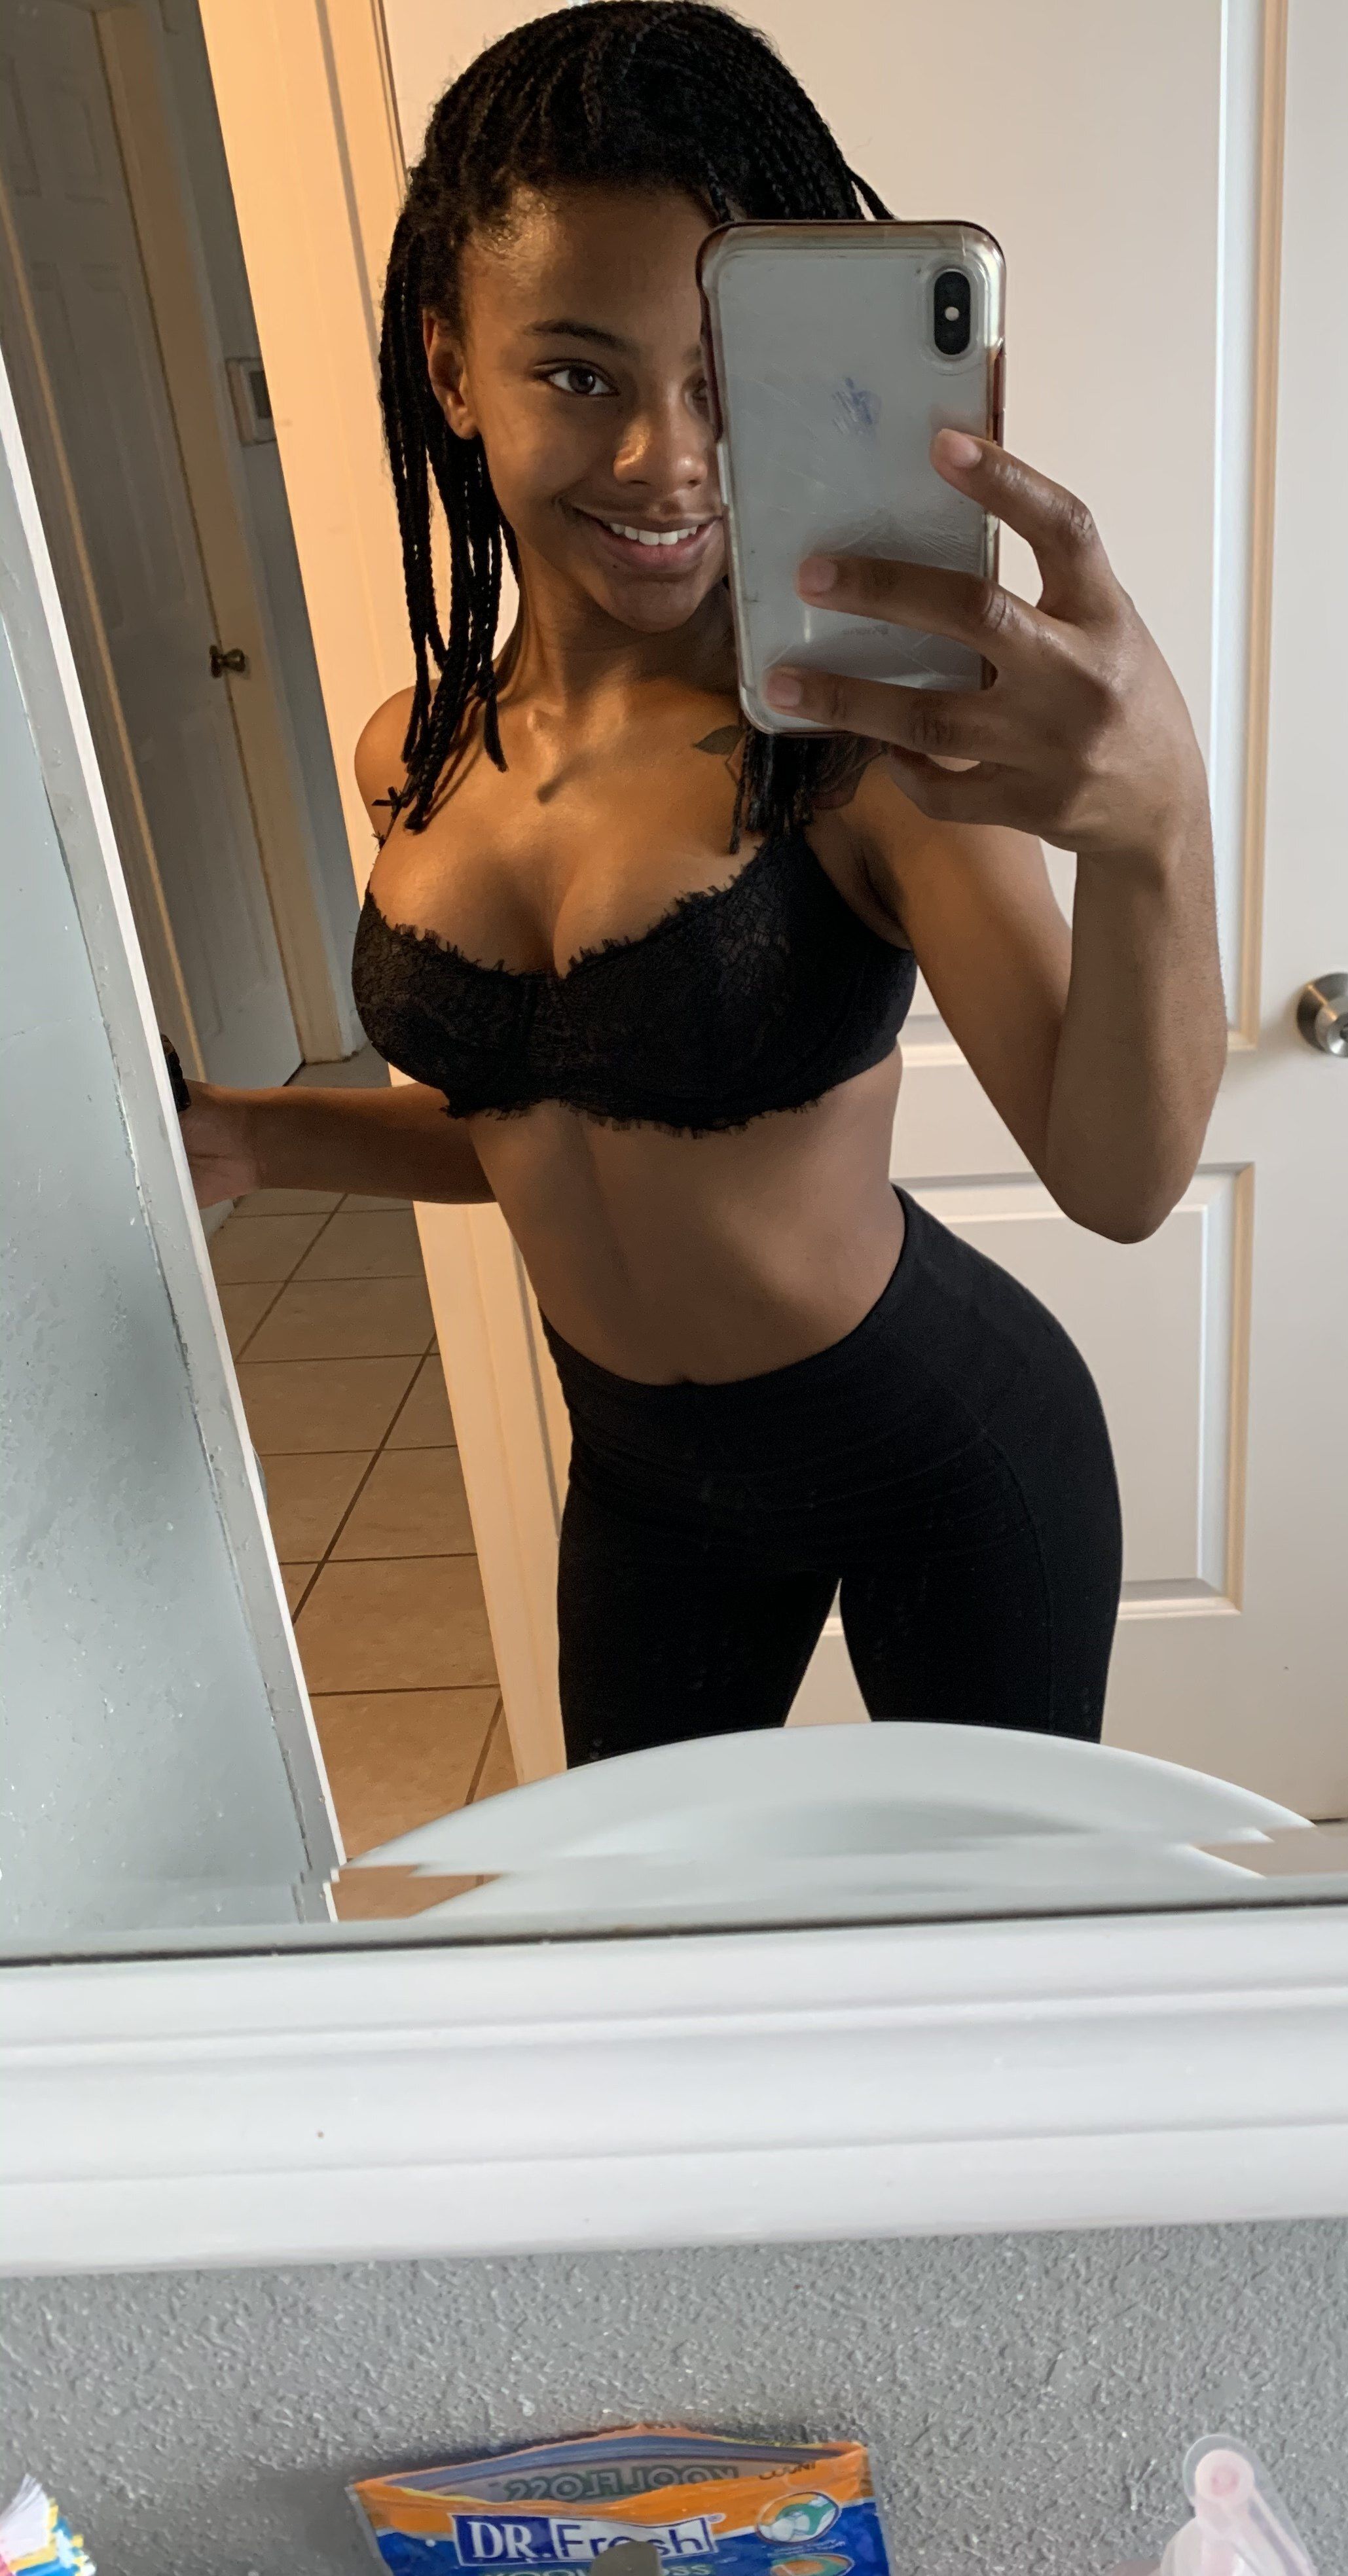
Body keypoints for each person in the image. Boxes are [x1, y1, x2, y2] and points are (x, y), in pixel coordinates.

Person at [179, 2, 1224, 1764]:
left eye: (727, 388)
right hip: (648, 1485)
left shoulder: (858, 752)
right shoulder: (411, 757)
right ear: (453, 369)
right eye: (581, 374)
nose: (667, 460)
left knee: (988, 1919)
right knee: (644, 1908)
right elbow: (538, 1125)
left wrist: (1157, 833)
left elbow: (1119, 1183)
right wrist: (259, 1141)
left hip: (945, 1459)